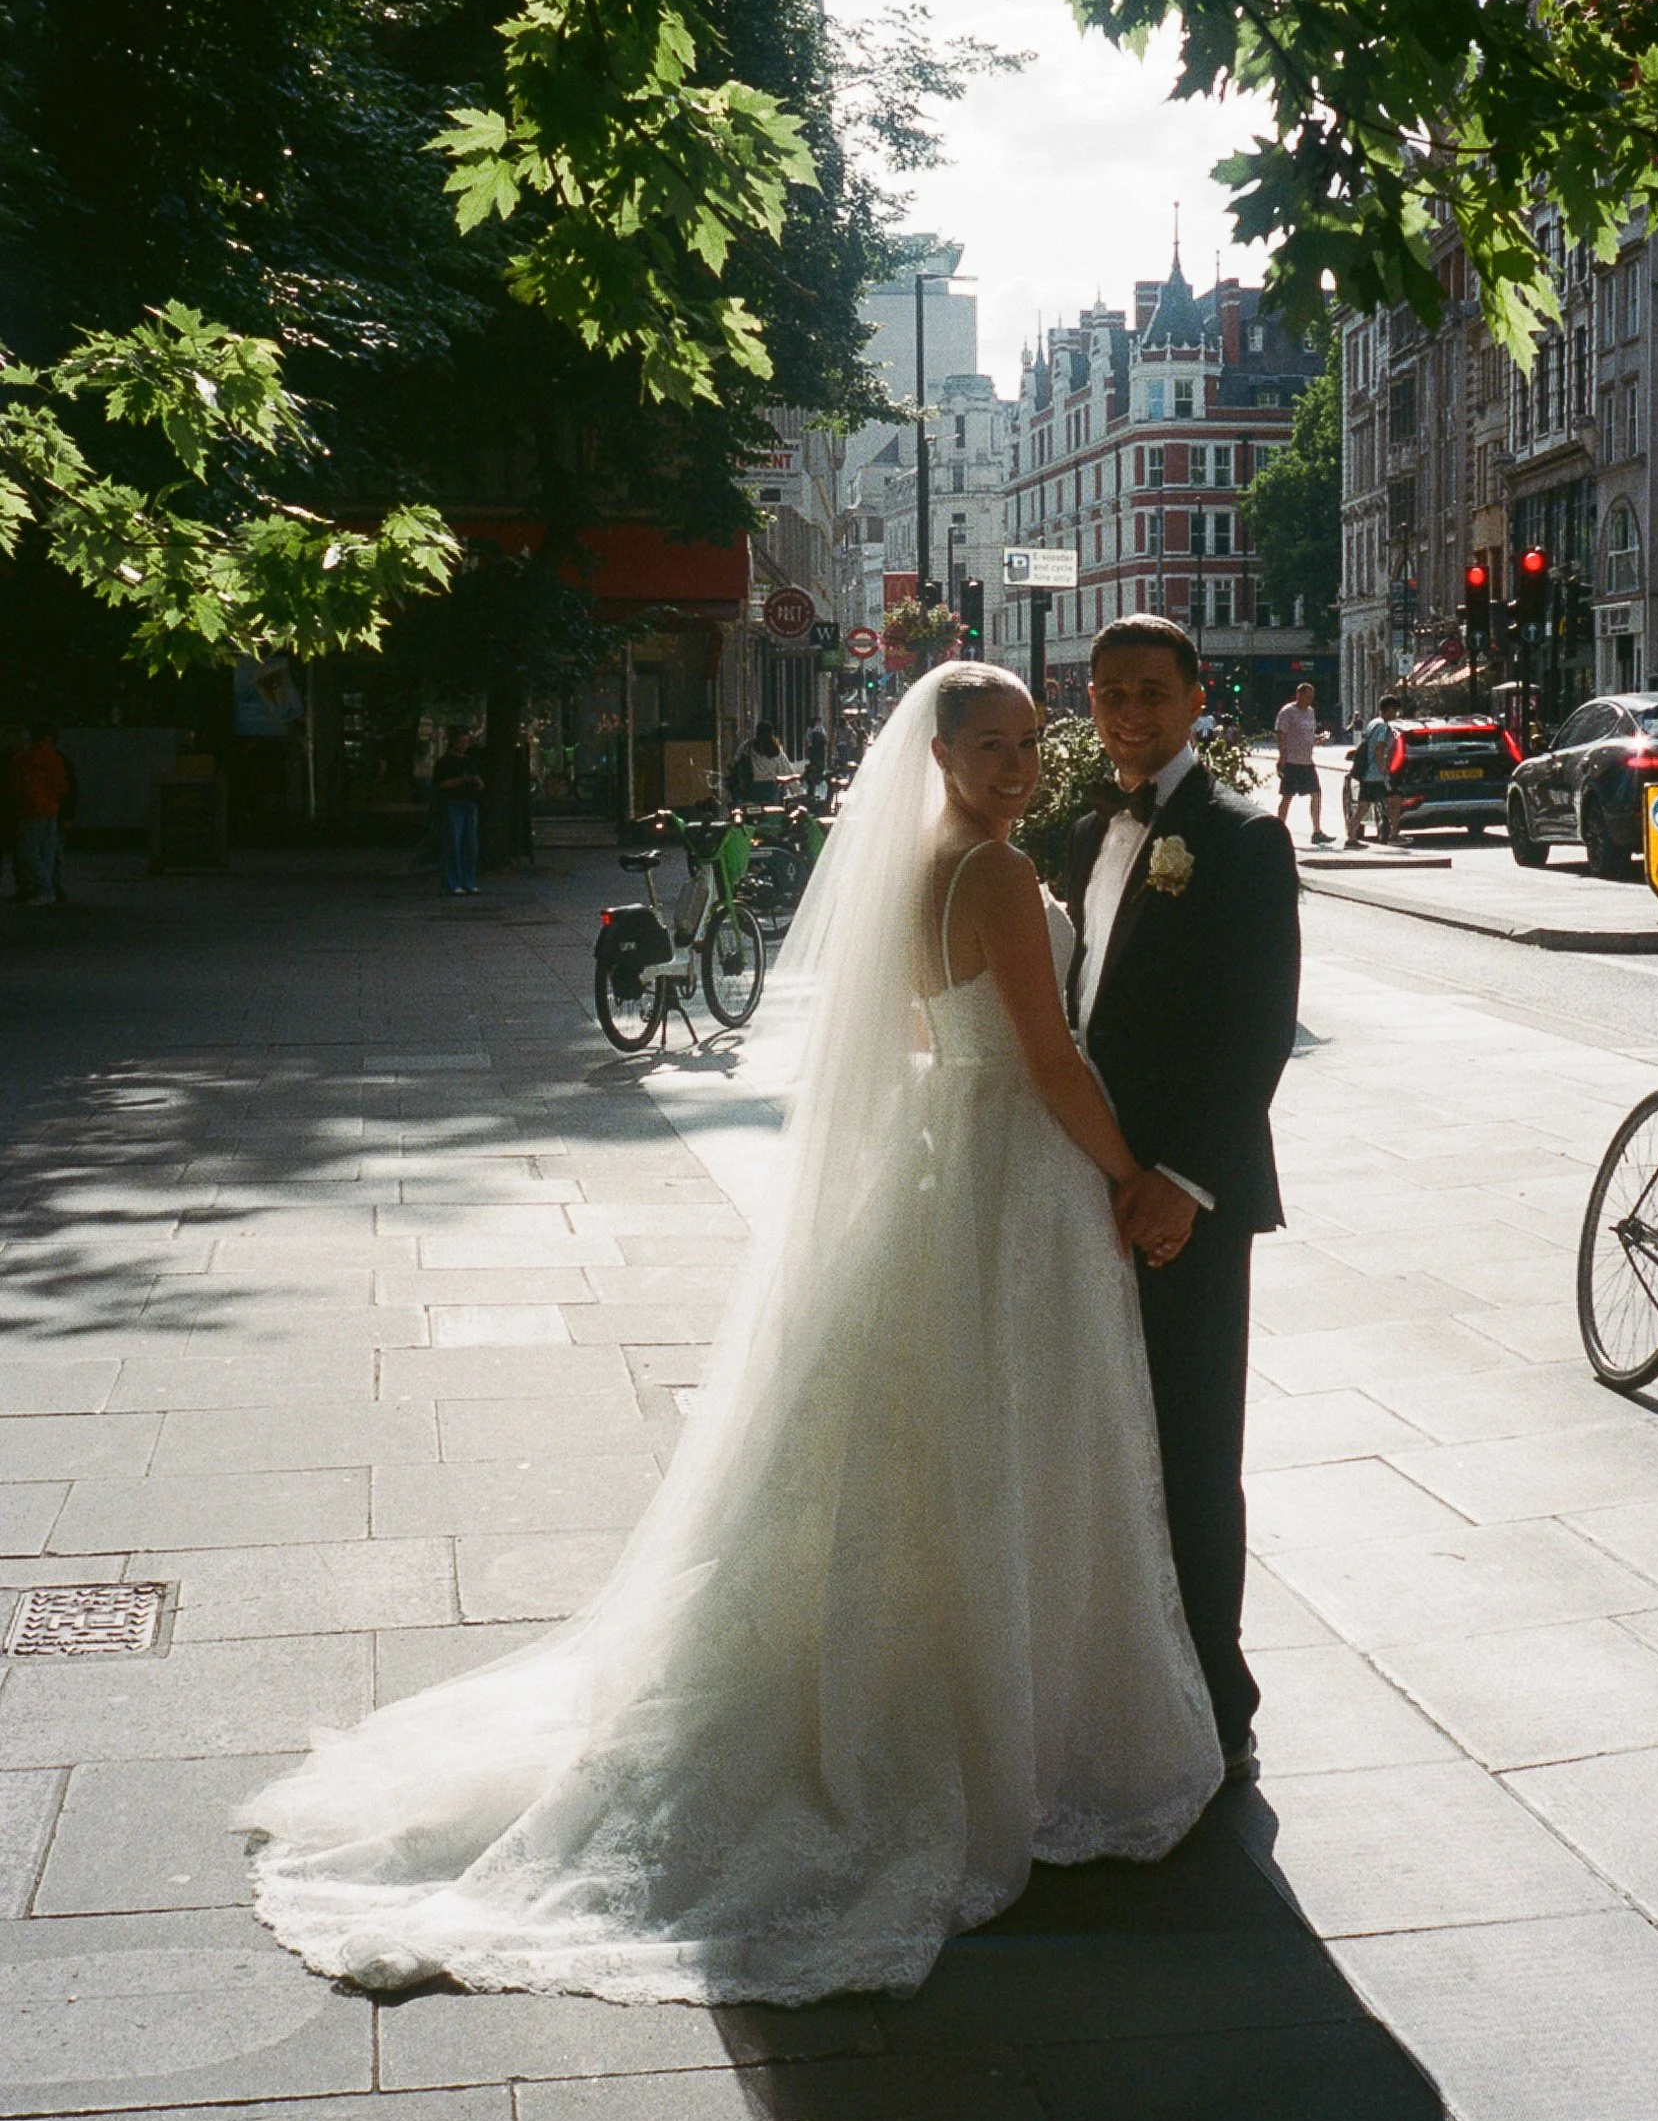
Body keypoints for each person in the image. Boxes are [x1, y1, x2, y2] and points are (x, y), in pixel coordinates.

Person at [237, 662, 1220, 2004]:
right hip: (1015, 1167)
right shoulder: (989, 873)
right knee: (1012, 1432)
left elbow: (915, 1040)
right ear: (936, 755)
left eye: (1021, 744)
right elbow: (1047, 1060)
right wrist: (1121, 1175)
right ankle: (999, 1726)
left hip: (944, 1161)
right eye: (987, 747)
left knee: (932, 1441)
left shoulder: (923, 864)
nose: (1011, 766)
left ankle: (946, 1691)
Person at [1066, 617, 1301, 1780]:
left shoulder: (1242, 836)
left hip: (1184, 1205)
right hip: (1080, 1187)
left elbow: (1257, 1032)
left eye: (1151, 691)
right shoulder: (1078, 830)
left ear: (1197, 697)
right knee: (1107, 1449)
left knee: (1194, 1455)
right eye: (1109, 693)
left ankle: (1218, 1702)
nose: (1128, 713)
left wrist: (1187, 1182)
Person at [8, 722, 68, 908]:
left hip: (30, 810)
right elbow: (62, 787)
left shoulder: (22, 759)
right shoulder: (54, 758)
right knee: (46, 852)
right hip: (50, 809)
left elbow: (16, 788)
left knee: (28, 852)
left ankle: (44, 889)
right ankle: (47, 889)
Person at [1346, 694, 1405, 847]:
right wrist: (1384, 769)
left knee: (1364, 807)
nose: (1396, 714)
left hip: (1368, 775)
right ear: (1390, 709)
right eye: (1396, 711)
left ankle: (1351, 837)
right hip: (1376, 776)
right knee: (1394, 800)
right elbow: (1379, 749)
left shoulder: (1373, 723)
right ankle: (1394, 835)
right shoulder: (1384, 727)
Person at [1271, 681, 1325, 845]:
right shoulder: (1287, 712)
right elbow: (1281, 734)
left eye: (1312, 696)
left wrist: (1318, 739)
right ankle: (1278, 831)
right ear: (1298, 695)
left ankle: (1317, 831)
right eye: (1307, 696)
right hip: (1292, 761)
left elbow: (1308, 735)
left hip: (1307, 761)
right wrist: (1282, 757)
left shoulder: (1310, 712)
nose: (1309, 699)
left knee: (1316, 793)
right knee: (1287, 796)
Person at [433, 730, 484, 897]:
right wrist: (460, 781)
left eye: (466, 742)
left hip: (470, 802)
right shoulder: (444, 762)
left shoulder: (469, 761)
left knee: (470, 844)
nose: (464, 745)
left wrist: (476, 782)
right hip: (453, 803)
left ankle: (469, 881)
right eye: (461, 741)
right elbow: (440, 784)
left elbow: (480, 781)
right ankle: (453, 882)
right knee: (453, 842)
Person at [731, 717, 797, 806]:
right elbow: (787, 771)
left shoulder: (746, 746)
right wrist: (796, 792)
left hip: (751, 789)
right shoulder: (776, 749)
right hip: (771, 790)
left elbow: (736, 763)